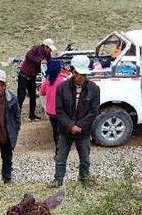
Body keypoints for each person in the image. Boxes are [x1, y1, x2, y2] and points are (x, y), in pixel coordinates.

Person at [50, 55, 100, 188]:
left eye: (84, 74)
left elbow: (94, 111)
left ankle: (84, 179)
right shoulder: (62, 88)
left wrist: (79, 126)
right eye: (78, 74)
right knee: (60, 157)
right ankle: (58, 180)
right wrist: (71, 125)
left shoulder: (94, 89)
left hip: (83, 131)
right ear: (72, 71)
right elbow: (59, 111)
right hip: (65, 131)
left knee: (85, 158)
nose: (81, 77)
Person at [17, 39, 56, 121]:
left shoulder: (47, 53)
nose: (50, 50)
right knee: (21, 97)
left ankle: (32, 115)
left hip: (32, 76)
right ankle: (16, 115)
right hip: (23, 75)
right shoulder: (36, 49)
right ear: (45, 46)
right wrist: (40, 61)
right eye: (49, 48)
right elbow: (28, 55)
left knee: (33, 96)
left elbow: (49, 61)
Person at [40, 59, 65, 157]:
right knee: (61, 132)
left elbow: (42, 92)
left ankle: (57, 151)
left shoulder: (47, 81)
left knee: (55, 131)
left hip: (50, 112)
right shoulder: (62, 82)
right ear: (59, 70)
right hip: (60, 112)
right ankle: (61, 152)